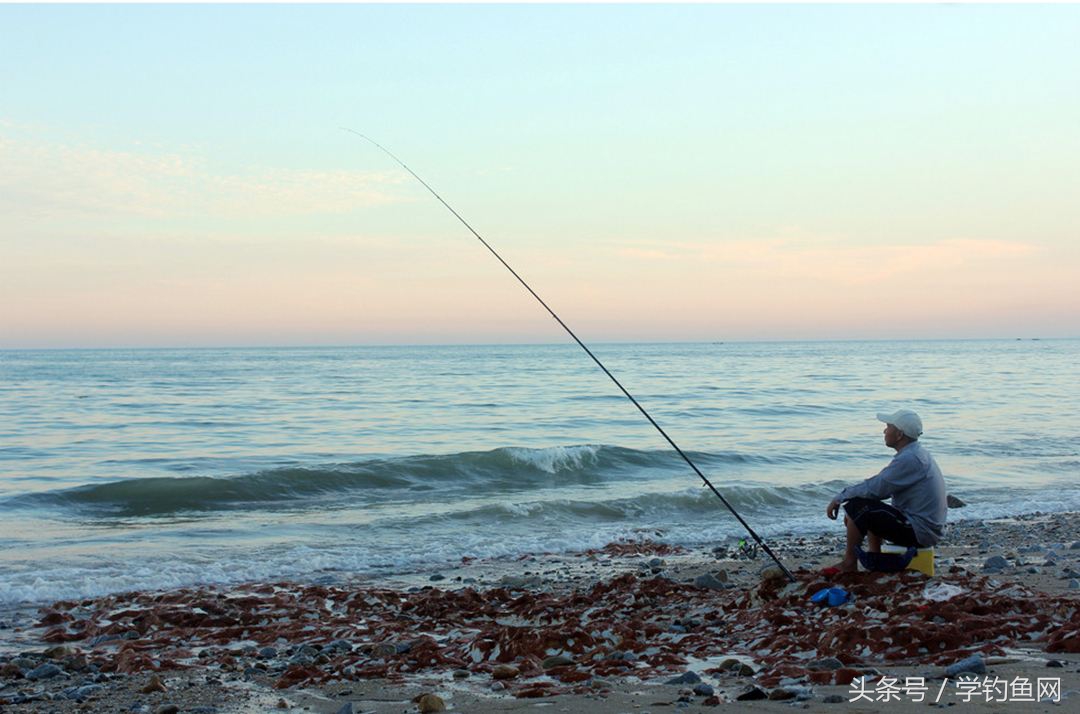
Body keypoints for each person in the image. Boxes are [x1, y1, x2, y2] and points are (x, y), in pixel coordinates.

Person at [826, 409, 947, 573]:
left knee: (857, 507)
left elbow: (876, 488)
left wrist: (840, 497)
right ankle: (875, 558)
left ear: (899, 434)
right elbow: (878, 488)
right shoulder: (914, 453)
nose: (884, 430)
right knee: (863, 508)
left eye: (888, 427)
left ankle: (849, 563)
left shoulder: (910, 459)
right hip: (924, 528)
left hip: (920, 531)